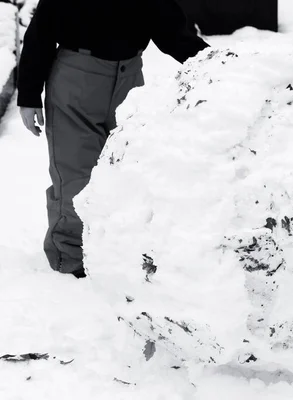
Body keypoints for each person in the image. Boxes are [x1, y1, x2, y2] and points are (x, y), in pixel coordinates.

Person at [18, 0, 209, 278]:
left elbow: (173, 33)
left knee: (126, 172)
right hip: (76, 79)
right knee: (76, 174)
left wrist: (216, 63)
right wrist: (29, 94)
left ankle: (118, 252)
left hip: (128, 80)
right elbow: (41, 32)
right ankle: (71, 261)